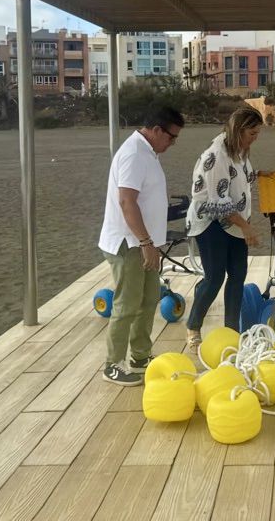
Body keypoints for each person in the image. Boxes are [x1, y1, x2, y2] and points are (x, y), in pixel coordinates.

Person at [97, 105, 185, 386]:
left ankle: (140, 355)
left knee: (148, 300)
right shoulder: (134, 153)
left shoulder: (149, 152)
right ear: (156, 130)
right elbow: (127, 201)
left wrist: (153, 243)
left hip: (147, 242)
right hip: (129, 243)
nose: (172, 143)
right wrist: (146, 242)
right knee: (127, 303)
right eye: (171, 137)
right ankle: (112, 364)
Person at [184, 107, 264, 352]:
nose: (255, 138)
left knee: (238, 274)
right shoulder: (217, 155)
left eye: (257, 133)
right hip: (210, 222)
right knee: (215, 276)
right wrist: (247, 227)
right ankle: (193, 325)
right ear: (239, 130)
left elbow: (238, 182)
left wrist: (261, 175)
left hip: (234, 221)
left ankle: (232, 331)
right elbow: (218, 203)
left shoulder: (240, 151)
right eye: (252, 133)